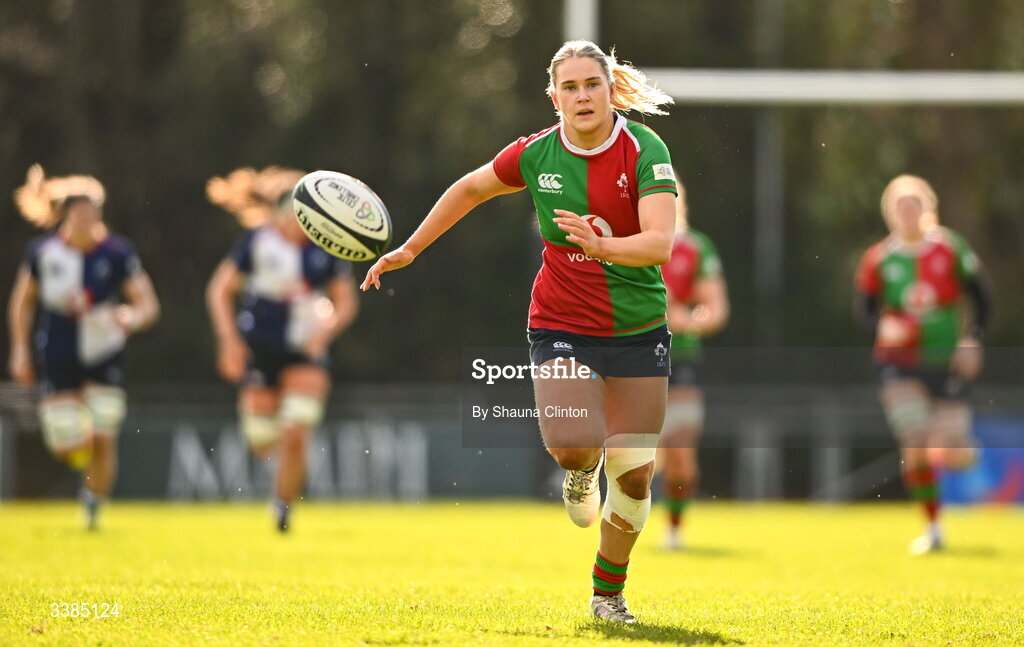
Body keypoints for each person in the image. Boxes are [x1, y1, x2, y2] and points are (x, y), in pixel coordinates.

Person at [362, 40, 677, 623]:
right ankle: (582, 472)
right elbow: (471, 188)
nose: (582, 96)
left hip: (639, 328)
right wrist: (409, 248)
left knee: (635, 475)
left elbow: (660, 242)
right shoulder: (537, 153)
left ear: (611, 91)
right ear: (553, 96)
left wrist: (601, 244)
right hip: (561, 322)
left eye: (593, 84)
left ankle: (607, 595)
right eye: (571, 87)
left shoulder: (643, 148)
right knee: (573, 443)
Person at [7, 164, 160, 530]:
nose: (89, 217)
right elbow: (22, 303)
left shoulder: (118, 252)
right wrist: (19, 350)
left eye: (94, 210)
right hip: (58, 350)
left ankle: (93, 507)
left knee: (105, 432)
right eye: (81, 210)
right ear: (66, 214)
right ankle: (80, 447)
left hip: (104, 349)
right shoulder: (43, 252)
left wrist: (132, 317)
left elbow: (148, 305)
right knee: (68, 445)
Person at [206, 166, 358, 532]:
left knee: (295, 429)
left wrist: (325, 332)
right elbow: (220, 291)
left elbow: (346, 303)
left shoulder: (328, 246)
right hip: (259, 347)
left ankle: (283, 507)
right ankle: (282, 486)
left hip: (305, 350)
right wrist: (229, 341)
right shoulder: (257, 241)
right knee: (261, 440)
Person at [855, 174, 992, 554]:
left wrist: (972, 340)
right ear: (890, 214)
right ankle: (932, 527)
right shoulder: (880, 258)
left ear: (928, 208)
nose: (909, 213)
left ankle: (962, 450)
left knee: (952, 452)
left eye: (915, 205)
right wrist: (884, 326)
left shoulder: (950, 248)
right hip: (898, 364)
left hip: (946, 363)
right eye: (901, 207)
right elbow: (865, 310)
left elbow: (983, 298)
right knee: (915, 443)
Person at [657, 183, 729, 550]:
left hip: (682, 359)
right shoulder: (628, 240)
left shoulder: (695, 248)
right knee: (636, 454)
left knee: (681, 454)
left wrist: (685, 319)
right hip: (631, 356)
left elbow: (715, 309)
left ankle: (674, 528)